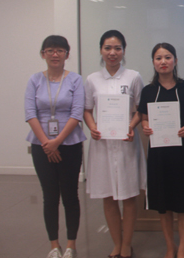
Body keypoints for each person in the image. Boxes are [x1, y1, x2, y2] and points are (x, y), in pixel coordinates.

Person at [83, 30, 146, 258]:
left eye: (117, 48)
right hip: (102, 145)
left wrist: (131, 126)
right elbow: (87, 110)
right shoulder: (92, 79)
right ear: (101, 50)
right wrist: (92, 127)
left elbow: (140, 109)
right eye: (108, 48)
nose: (112, 52)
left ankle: (127, 244)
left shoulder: (133, 77)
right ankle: (116, 244)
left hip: (126, 142)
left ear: (123, 51)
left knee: (129, 196)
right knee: (108, 196)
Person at [25, 35, 86, 258]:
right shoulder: (34, 80)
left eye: (60, 50)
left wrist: (57, 141)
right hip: (41, 145)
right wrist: (47, 143)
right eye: (50, 50)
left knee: (70, 195)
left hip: (70, 144)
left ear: (67, 55)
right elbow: (30, 113)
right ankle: (54, 246)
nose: (55, 54)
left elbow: (77, 113)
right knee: (49, 196)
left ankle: (71, 245)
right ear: (43, 54)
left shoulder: (75, 80)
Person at [138, 43, 184, 258]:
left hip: (180, 152)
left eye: (167, 57)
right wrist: (145, 126)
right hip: (158, 153)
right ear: (153, 62)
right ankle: (170, 247)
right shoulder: (148, 91)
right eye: (158, 58)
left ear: (175, 60)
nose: (163, 62)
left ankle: (183, 247)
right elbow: (144, 118)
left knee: (183, 202)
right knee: (163, 204)